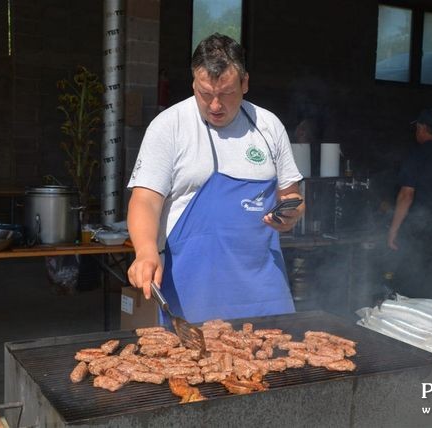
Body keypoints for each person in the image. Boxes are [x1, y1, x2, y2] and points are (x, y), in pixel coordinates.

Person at [126, 33, 305, 324]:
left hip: (263, 292)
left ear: (245, 83)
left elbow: (292, 196)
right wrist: (145, 251)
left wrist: (291, 213)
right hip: (193, 293)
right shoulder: (169, 126)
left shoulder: (268, 126)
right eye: (205, 93)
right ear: (194, 83)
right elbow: (145, 199)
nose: (215, 106)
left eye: (226, 93)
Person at [386, 107, 432, 302]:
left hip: (418, 228)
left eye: (417, 127)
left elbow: (406, 195)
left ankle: (406, 322)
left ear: (422, 127)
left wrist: (393, 229)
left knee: (410, 279)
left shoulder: (417, 155)